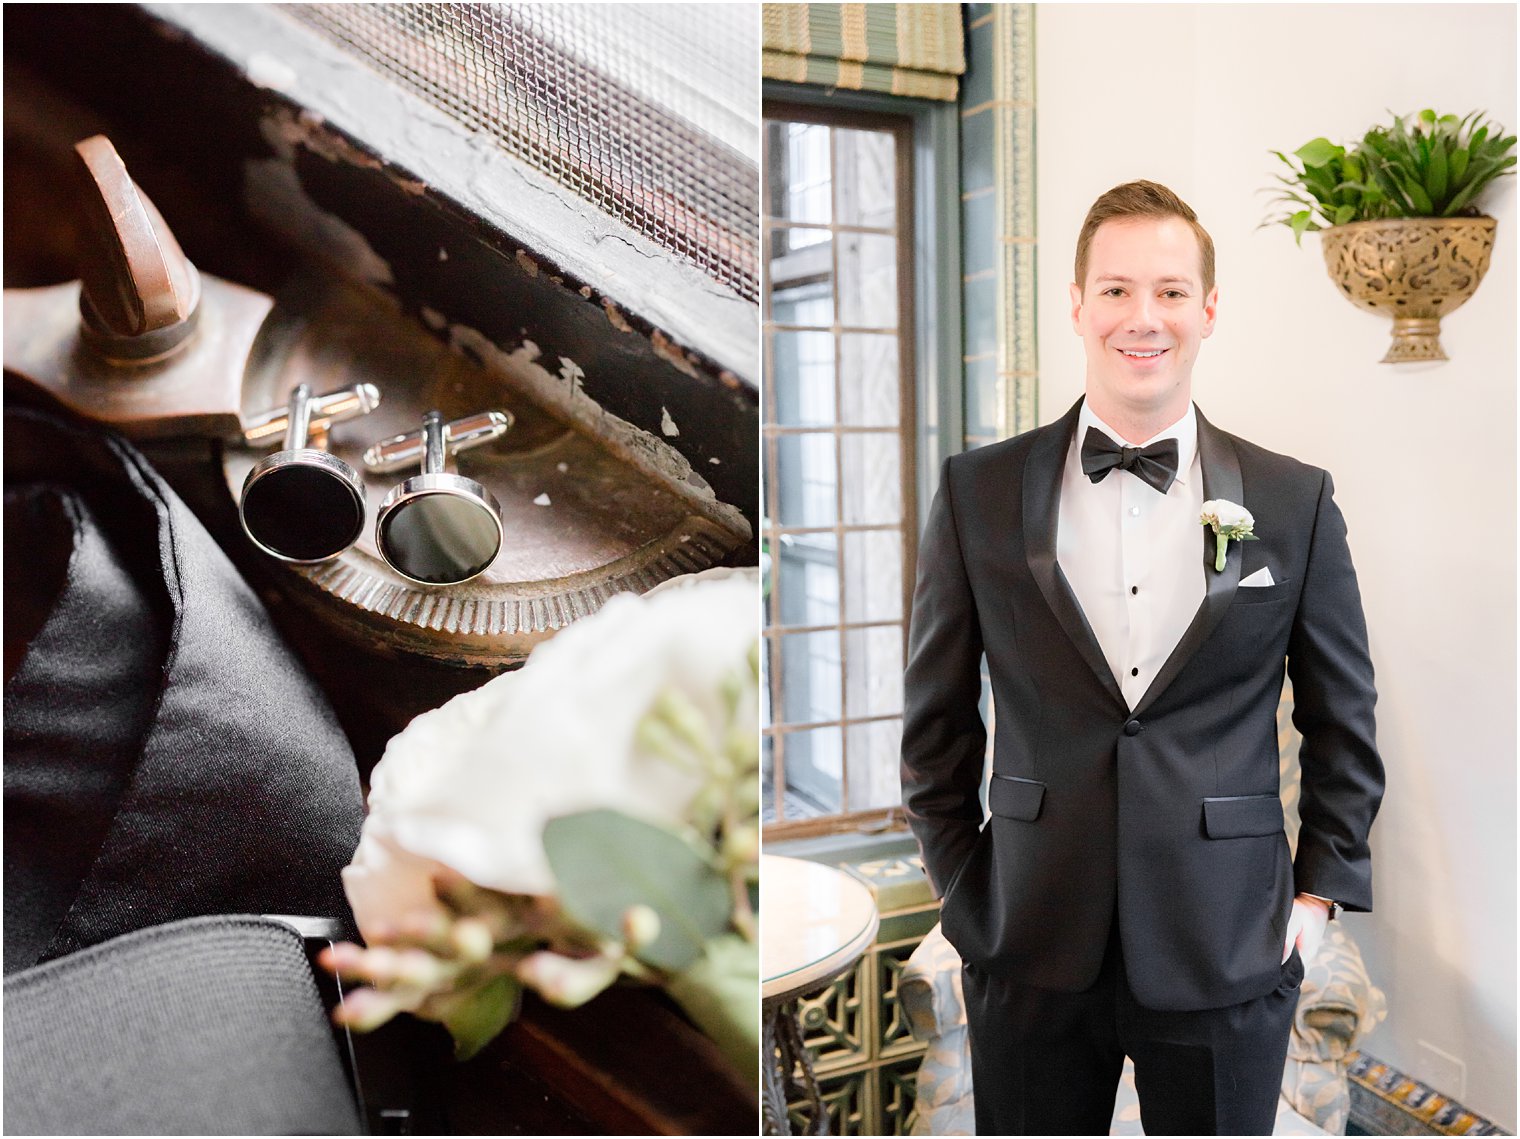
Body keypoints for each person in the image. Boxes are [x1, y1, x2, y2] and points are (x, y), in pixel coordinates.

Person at [900, 180, 1384, 1135]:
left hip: (1226, 941)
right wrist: (964, 894)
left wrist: (1318, 898)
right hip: (1029, 933)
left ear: (1208, 310)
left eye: (1169, 290)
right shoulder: (977, 492)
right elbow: (936, 724)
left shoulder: (1294, 500)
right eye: (1116, 290)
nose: (1142, 318)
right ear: (1077, 306)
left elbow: (1343, 718)